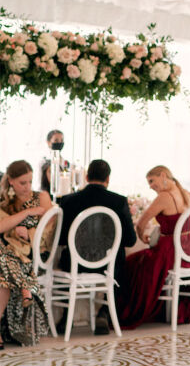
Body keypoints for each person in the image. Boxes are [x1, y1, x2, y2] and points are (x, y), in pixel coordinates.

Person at [117, 165, 190, 330]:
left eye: (152, 181)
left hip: (169, 254)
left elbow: (141, 223)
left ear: (163, 175)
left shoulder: (164, 197)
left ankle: (120, 311)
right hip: (188, 254)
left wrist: (141, 236)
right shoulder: (186, 194)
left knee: (130, 263)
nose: (151, 186)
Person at [56, 159, 137, 329]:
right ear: (108, 178)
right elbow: (131, 240)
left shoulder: (68, 200)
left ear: (86, 177)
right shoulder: (119, 201)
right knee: (119, 256)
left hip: (74, 264)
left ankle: (66, 317)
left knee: (65, 255)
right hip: (108, 266)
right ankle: (105, 311)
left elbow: (62, 239)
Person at [0, 160, 52, 346]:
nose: (28, 187)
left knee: (3, 262)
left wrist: (30, 235)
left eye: (30, 181)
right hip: (10, 254)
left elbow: (50, 229)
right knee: (4, 262)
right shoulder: (4, 201)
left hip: (36, 254)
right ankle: (25, 286)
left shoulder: (41, 197)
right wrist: (26, 213)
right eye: (23, 183)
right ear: (11, 181)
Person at [39, 129, 69, 196]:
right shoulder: (43, 162)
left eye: (61, 140)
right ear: (48, 142)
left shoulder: (66, 163)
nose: (59, 143)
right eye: (56, 140)